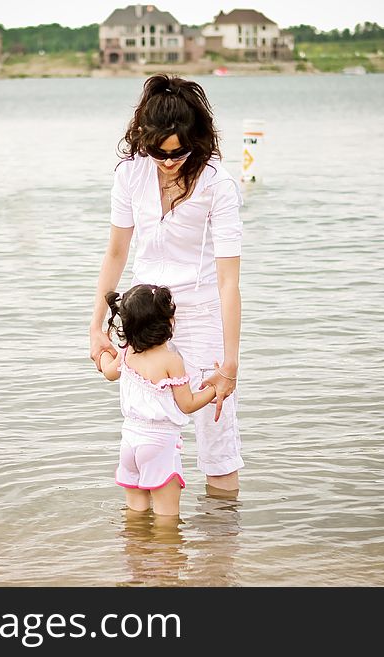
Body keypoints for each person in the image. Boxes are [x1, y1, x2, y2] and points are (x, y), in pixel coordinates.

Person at [90, 74, 244, 493]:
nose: (169, 160)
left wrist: (230, 363)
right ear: (144, 138)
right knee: (145, 427)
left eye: (179, 152)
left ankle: (221, 551)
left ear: (196, 137)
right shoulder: (129, 175)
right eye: (158, 152)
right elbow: (116, 252)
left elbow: (229, 281)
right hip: (144, 315)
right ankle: (147, 545)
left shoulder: (218, 185)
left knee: (217, 436)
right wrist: (95, 326)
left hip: (200, 313)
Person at [98, 284, 217, 516]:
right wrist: (216, 388)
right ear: (169, 322)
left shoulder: (127, 352)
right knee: (166, 518)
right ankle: (165, 552)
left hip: (129, 442)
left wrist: (102, 353)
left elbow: (109, 373)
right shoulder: (171, 360)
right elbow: (188, 404)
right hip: (159, 444)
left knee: (135, 513)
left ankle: (136, 549)